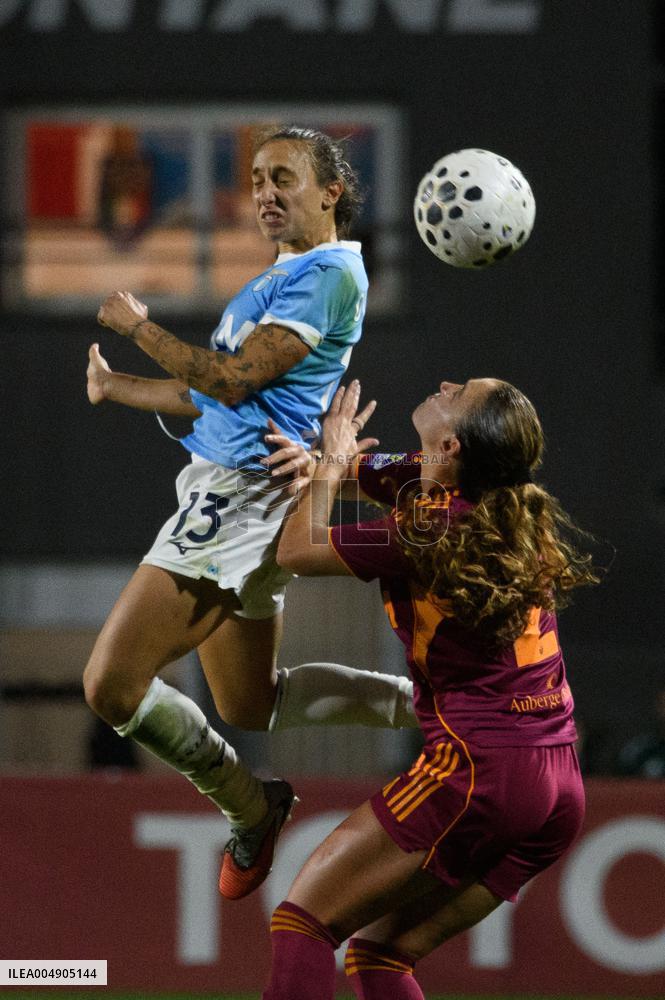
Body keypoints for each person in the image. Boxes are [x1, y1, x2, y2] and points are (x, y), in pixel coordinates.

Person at [83, 126, 414, 902]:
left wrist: (138, 326)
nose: (264, 192)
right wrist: (117, 384)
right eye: (257, 178)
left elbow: (229, 383)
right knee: (246, 702)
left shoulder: (327, 275)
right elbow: (209, 397)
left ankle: (248, 803)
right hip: (238, 485)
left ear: (332, 190)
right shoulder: (280, 274)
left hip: (239, 499)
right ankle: (426, 702)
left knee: (111, 686)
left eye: (284, 178)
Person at [260, 378, 599, 1000]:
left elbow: (296, 549)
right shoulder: (476, 490)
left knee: (304, 920)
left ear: (451, 444)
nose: (446, 383)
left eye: (460, 390)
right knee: (382, 954)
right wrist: (327, 463)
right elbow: (370, 469)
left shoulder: (435, 529)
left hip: (480, 772)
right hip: (556, 784)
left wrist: (330, 464)